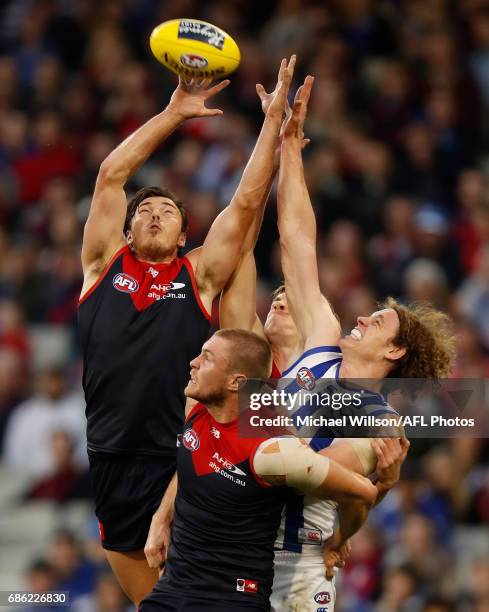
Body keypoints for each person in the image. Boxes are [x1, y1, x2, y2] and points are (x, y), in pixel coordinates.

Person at [214, 75, 455, 611]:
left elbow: (324, 481)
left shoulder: (378, 420)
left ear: (395, 353)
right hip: (241, 547)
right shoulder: (321, 343)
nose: (364, 316)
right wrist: (290, 149)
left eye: (379, 321)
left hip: (296, 566)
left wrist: (364, 505)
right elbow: (299, 242)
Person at [78, 57, 296, 606]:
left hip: (182, 452)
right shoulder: (103, 266)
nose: (154, 214)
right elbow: (111, 174)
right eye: (144, 210)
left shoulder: (197, 276)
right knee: (152, 600)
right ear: (125, 229)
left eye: (167, 210)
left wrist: (271, 128)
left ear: (183, 235)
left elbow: (246, 205)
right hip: (110, 455)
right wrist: (173, 114)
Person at [140, 329, 397, 612]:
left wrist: (339, 539)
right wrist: (161, 517)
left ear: (236, 382)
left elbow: (362, 493)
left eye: (207, 358)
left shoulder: (272, 452)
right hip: (171, 591)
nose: (194, 362)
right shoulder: (198, 406)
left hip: (230, 599)